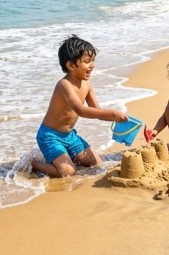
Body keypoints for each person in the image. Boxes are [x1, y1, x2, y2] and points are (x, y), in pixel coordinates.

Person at [31, 36, 128, 178]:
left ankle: (64, 155)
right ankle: (34, 163)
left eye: (93, 60)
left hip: (70, 136)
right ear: (70, 65)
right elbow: (81, 110)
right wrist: (113, 114)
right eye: (87, 61)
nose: (92, 65)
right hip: (50, 136)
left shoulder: (87, 85)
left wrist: (119, 119)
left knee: (96, 163)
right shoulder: (64, 85)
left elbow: (97, 110)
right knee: (68, 172)